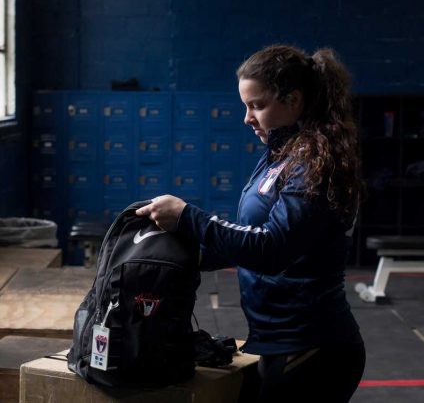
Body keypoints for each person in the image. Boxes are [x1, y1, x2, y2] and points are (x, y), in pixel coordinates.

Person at [136, 45, 366, 402]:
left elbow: (272, 249)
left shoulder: (317, 166)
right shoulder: (279, 156)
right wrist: (180, 254)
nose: (247, 117)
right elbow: (248, 237)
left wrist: (187, 216)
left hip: (311, 348)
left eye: (257, 105)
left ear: (293, 100)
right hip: (277, 341)